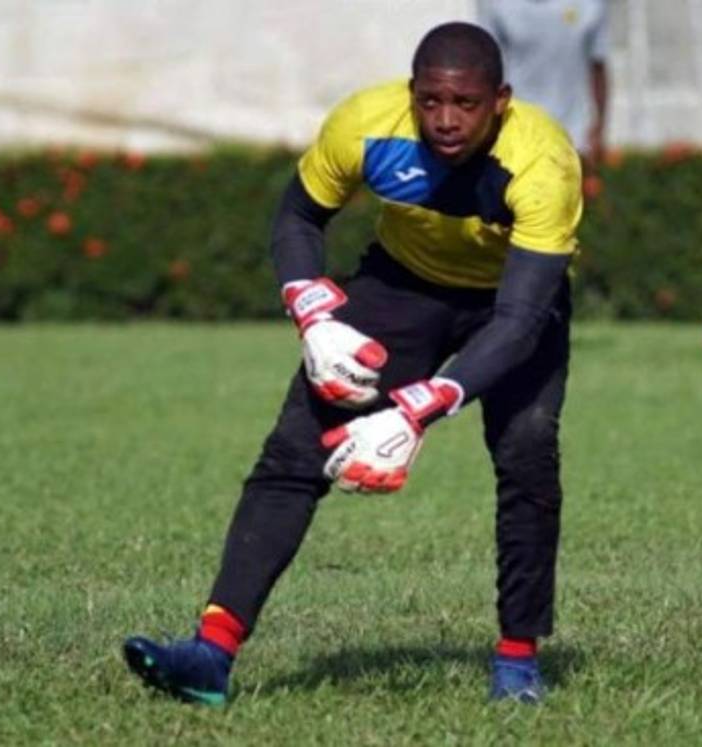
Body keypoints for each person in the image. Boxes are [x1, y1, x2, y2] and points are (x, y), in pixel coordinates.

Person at [122, 21, 582, 707]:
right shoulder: (365, 123)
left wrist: (420, 406)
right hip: (403, 284)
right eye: (430, 101)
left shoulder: (543, 162)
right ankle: (211, 653)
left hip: (512, 301)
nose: (446, 120)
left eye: (466, 104)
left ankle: (517, 662)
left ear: (501, 100)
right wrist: (313, 313)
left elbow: (517, 325)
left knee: (526, 450)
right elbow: (296, 219)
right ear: (411, 92)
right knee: (292, 449)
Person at [475, 0, 610, 185]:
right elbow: (485, 71)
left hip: (574, 140)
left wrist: (599, 128)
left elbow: (598, 67)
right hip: (518, 142)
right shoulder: (498, 6)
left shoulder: (589, 5)